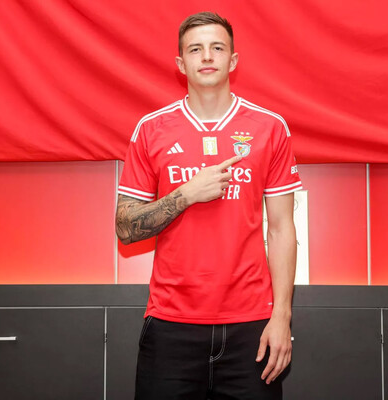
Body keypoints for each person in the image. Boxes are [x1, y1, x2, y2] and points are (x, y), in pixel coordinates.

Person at [116, 11, 302, 400]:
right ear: (180, 63)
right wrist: (186, 193)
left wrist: (282, 317)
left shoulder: (270, 127)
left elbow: (281, 228)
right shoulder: (151, 129)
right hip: (171, 323)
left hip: (252, 324)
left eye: (217, 48)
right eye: (195, 49)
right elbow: (125, 228)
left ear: (232, 60)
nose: (206, 57)